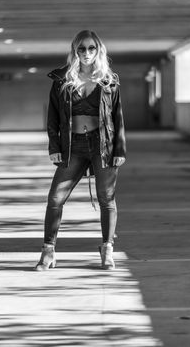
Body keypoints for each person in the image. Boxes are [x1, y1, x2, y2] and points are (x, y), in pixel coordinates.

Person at [35, 30, 126, 271]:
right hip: (72, 146)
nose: (86, 53)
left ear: (99, 50)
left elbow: (117, 118)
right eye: (81, 49)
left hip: (102, 145)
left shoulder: (109, 80)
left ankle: (107, 249)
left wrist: (119, 149)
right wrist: (54, 146)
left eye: (91, 48)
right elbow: (53, 116)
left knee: (107, 199)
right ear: (75, 51)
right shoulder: (62, 80)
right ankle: (48, 251)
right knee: (55, 198)